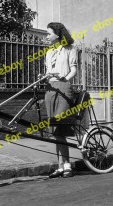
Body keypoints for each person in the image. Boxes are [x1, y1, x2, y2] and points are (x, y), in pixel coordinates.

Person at [44, 22, 77, 178]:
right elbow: (49, 72)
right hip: (50, 90)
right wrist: (45, 77)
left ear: (57, 35)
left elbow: (74, 69)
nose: (47, 36)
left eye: (48, 33)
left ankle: (67, 165)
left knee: (60, 127)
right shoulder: (49, 52)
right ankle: (60, 166)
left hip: (64, 88)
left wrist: (64, 78)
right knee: (54, 130)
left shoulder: (70, 49)